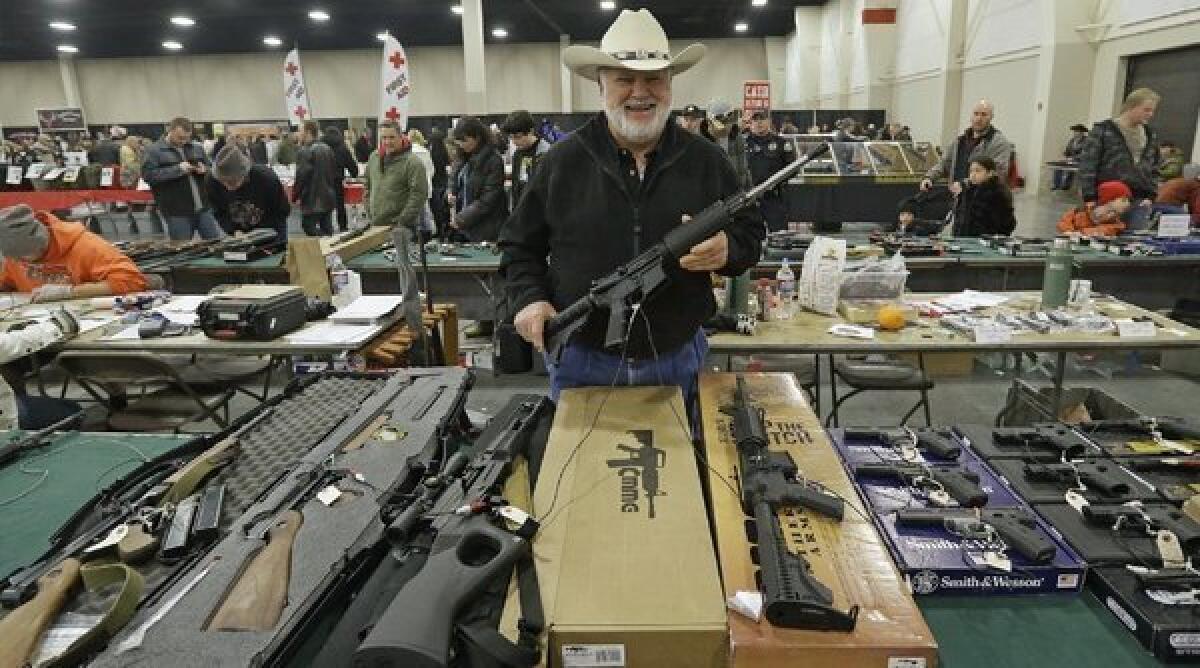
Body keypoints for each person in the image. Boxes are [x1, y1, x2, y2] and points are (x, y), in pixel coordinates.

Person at [500, 8, 764, 405]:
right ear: (601, 86)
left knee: (685, 464)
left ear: (670, 84)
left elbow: (750, 232)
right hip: (582, 358)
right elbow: (520, 247)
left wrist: (730, 247)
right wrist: (529, 299)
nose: (640, 92)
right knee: (579, 469)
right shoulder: (561, 163)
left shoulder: (707, 161)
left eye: (654, 79)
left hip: (678, 357)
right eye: (625, 79)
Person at [0, 204, 148, 301]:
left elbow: (132, 281)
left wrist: (69, 292)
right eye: (16, 257)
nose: (21, 262)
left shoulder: (86, 246)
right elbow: (4, 282)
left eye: (25, 256)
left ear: (41, 242)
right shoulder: (12, 257)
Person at [1078, 87, 1162, 230]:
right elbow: (1088, 165)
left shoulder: (1150, 134)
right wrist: (1089, 197)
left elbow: (1154, 166)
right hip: (1107, 199)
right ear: (1131, 106)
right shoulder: (1103, 130)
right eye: (1146, 110)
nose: (1151, 114)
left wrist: (1151, 196)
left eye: (1153, 110)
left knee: (1134, 244)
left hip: (1139, 201)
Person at [142, 117, 223, 240]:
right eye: (180, 138)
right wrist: (178, 169)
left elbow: (211, 168)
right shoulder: (154, 151)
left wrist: (204, 169)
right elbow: (149, 176)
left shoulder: (197, 147)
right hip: (177, 213)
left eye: (187, 138)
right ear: (170, 130)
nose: (183, 141)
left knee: (216, 244)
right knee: (183, 250)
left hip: (203, 208)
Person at [921, 100, 1013, 197]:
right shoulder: (959, 141)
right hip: (957, 198)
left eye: (984, 115)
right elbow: (944, 163)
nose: (979, 118)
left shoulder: (999, 143)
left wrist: (964, 184)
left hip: (983, 201)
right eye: (976, 114)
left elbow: (997, 173)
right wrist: (929, 178)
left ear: (991, 117)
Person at [206, 145, 290, 242]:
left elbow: (281, 211)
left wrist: (262, 234)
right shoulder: (212, 181)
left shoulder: (266, 179)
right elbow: (219, 211)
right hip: (240, 234)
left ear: (245, 174)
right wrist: (233, 231)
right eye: (223, 181)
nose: (227, 187)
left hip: (271, 230)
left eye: (232, 182)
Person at [449, 117, 508, 243]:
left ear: (477, 137)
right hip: (463, 229)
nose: (461, 144)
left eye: (464, 140)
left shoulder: (494, 160)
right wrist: (450, 192)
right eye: (458, 141)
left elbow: (488, 199)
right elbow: (454, 180)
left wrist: (462, 219)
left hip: (486, 229)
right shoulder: (461, 157)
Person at [363, 121, 429, 236]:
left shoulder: (413, 163)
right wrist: (370, 212)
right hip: (376, 226)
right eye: (384, 138)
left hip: (401, 229)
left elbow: (419, 194)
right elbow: (367, 186)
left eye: (392, 137)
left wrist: (402, 222)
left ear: (401, 136)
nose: (387, 142)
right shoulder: (374, 157)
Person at [745, 110, 793, 231]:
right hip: (749, 198)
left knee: (779, 236)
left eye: (762, 119)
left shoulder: (781, 143)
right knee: (749, 236)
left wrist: (778, 183)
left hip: (774, 197)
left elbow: (792, 168)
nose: (759, 122)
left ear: (769, 121)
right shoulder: (742, 143)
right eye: (755, 119)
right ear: (750, 123)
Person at [293, 120, 339, 237]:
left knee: (308, 226)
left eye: (300, 130)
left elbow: (301, 176)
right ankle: (329, 247)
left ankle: (324, 240)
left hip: (312, 199)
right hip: (328, 197)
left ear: (307, 132)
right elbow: (334, 172)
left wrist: (294, 196)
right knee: (327, 227)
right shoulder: (327, 149)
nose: (297, 133)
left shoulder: (304, 151)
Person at [950, 157, 1016, 237]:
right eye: (971, 171)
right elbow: (960, 218)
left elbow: (1007, 224)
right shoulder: (968, 190)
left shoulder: (998, 193)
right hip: (964, 241)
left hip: (985, 242)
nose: (973, 175)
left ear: (990, 173)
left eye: (978, 171)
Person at [502, 110, 551, 207]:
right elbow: (515, 186)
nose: (514, 142)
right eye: (511, 137)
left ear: (531, 131)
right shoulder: (517, 154)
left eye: (518, 137)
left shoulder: (546, 153)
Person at [1057, 180, 1132, 237]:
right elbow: (1065, 221)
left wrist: (1081, 233)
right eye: (1124, 200)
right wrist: (1068, 231)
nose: (1128, 204)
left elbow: (1107, 229)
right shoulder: (1082, 211)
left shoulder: (1116, 224)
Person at [322, 126, 360, 232]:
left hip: (322, 180)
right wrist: (354, 174)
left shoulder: (320, 147)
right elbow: (352, 167)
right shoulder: (342, 147)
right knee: (340, 205)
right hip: (337, 180)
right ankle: (343, 227)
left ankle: (326, 228)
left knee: (325, 206)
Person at [428, 127, 452, 234]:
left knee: (436, 209)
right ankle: (446, 228)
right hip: (444, 182)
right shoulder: (444, 152)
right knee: (445, 208)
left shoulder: (430, 153)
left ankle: (439, 230)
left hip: (434, 183)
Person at [1052, 124, 1089, 190]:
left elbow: (1084, 154)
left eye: (1077, 131)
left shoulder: (1086, 141)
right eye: (1074, 131)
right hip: (1071, 160)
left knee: (1068, 169)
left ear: (1082, 132)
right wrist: (1064, 155)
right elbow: (1067, 151)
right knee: (1058, 166)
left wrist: (1073, 158)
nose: (1075, 133)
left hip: (1080, 161)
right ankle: (1056, 185)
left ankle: (1065, 187)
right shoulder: (1072, 140)